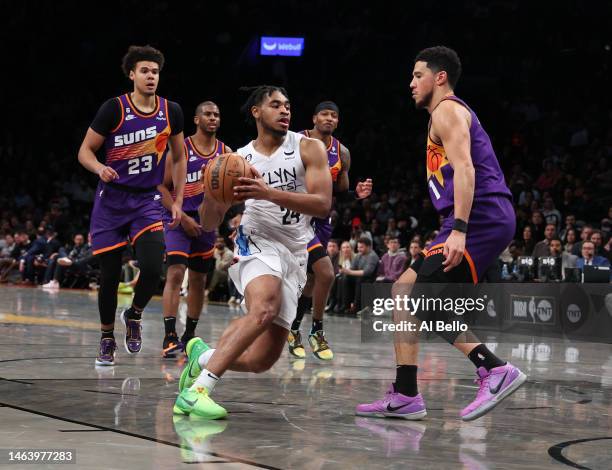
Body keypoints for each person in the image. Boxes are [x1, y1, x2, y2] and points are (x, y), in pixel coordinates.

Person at [357, 46, 526, 422]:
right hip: (462, 218)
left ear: (440, 77)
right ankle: (405, 393)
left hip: (479, 217)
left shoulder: (448, 109)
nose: (411, 83)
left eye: (418, 75)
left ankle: (494, 369)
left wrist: (461, 230)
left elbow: (466, 169)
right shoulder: (439, 116)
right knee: (403, 291)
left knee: (423, 299)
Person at [173, 85, 332, 419]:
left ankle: (202, 356)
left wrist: (268, 192)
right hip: (256, 241)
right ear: (257, 112)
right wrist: (214, 196)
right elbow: (208, 221)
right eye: (275, 105)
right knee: (263, 307)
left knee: (262, 360)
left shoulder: (309, 148)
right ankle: (198, 390)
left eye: (288, 105)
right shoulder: (237, 159)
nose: (285, 111)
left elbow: (322, 204)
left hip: (296, 253)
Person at [78, 45, 186, 366]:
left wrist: (178, 199)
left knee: (153, 267)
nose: (151, 76)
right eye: (144, 71)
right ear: (132, 74)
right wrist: (99, 168)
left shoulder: (171, 111)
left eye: (155, 71)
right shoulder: (114, 109)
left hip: (146, 200)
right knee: (109, 275)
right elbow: (84, 151)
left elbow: (179, 158)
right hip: (111, 200)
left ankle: (134, 314)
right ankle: (107, 337)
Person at [287, 102, 372, 361]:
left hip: (321, 221)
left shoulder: (342, 152)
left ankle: (294, 329)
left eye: (334, 115)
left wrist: (356, 195)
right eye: (324, 114)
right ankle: (316, 330)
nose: (329, 118)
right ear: (314, 118)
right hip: (297, 216)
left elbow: (339, 191)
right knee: (325, 272)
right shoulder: (296, 141)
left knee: (314, 278)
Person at [158, 101, 230, 358]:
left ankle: (190, 335)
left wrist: (217, 214)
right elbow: (161, 186)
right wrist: (181, 215)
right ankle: (169, 335)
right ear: (197, 119)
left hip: (206, 223)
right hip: (177, 219)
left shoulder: (226, 154)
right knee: (176, 274)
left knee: (199, 280)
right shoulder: (182, 148)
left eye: (217, 114)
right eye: (208, 114)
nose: (213, 118)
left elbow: (228, 195)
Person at [339, 237, 380, 314]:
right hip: (359, 277)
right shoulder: (358, 255)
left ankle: (356, 306)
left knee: (359, 279)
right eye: (358, 247)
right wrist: (347, 272)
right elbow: (352, 268)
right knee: (344, 278)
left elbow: (367, 272)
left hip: (370, 278)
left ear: (368, 247)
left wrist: (349, 272)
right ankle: (345, 304)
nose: (359, 249)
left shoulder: (372, 256)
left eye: (361, 247)